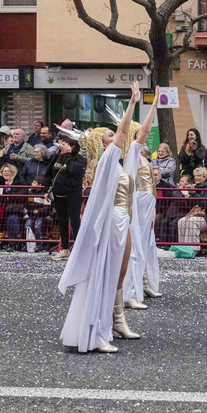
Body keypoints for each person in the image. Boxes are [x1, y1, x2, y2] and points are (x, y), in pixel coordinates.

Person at [59, 84, 143, 353]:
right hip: (111, 223)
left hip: (121, 220)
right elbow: (123, 132)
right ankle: (95, 332)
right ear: (102, 143)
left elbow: (132, 135)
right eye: (109, 133)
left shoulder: (117, 162)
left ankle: (113, 323)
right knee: (103, 275)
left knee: (116, 275)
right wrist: (132, 103)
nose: (116, 133)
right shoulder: (107, 159)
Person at [123, 111, 163, 303]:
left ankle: (146, 283)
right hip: (140, 201)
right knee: (138, 244)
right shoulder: (133, 154)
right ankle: (133, 288)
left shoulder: (143, 157)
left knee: (148, 244)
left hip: (148, 203)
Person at [48, 132, 85, 260]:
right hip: (58, 195)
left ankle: (80, 249)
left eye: (65, 144)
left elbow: (72, 170)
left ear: (73, 146)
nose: (62, 146)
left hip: (72, 194)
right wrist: (46, 188)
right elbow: (49, 173)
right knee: (62, 222)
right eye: (61, 144)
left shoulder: (79, 159)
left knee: (75, 221)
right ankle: (65, 249)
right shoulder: (57, 157)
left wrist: (68, 156)